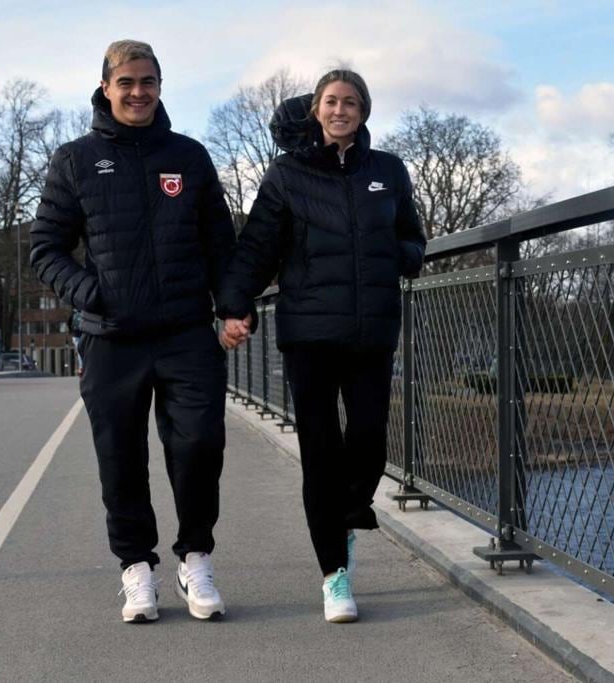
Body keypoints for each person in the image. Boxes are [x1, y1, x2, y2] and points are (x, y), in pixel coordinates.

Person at [30, 40, 247, 623]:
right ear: (105, 87)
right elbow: (45, 248)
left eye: (147, 81)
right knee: (120, 459)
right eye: (125, 82)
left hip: (186, 334)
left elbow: (221, 245)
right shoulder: (75, 160)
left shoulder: (190, 157)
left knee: (200, 445)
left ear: (159, 87)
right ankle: (136, 570)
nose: (137, 92)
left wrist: (231, 308)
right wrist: (91, 293)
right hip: (111, 337)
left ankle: (195, 558)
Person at [219, 68, 426, 623]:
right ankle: (334, 574)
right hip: (309, 332)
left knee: (368, 437)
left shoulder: (389, 170)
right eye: (331, 101)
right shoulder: (287, 175)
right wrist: (234, 307)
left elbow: (412, 234)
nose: (341, 110)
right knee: (320, 451)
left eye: (351, 102)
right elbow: (258, 245)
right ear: (316, 110)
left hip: (372, 330)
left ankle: (347, 514)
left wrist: (404, 257)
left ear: (364, 110)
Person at [68, 309, 84, 377]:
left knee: (80, 352)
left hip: (75, 335)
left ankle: (81, 368)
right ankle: (84, 367)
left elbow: (68, 323)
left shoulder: (73, 313)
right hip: (83, 335)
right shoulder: (84, 312)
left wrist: (71, 331)